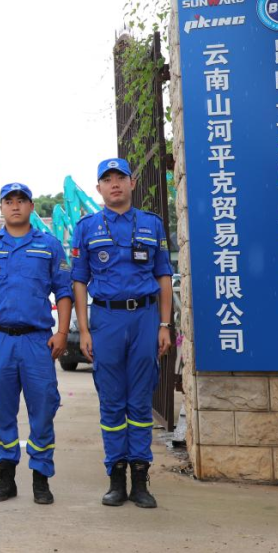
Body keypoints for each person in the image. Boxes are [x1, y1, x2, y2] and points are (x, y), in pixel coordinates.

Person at [71, 158, 173, 508]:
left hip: (145, 318)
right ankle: (116, 477)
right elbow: (79, 281)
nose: (114, 184)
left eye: (120, 178)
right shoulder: (85, 227)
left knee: (140, 401)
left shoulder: (151, 224)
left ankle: (141, 480)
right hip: (106, 320)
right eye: (106, 179)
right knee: (112, 403)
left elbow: (163, 276)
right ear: (98, 188)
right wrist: (83, 329)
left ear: (132, 183)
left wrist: (164, 324)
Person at [0, 183, 73, 504]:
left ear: (30, 207)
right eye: (9, 201)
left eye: (21, 201)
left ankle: (41, 479)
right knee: (0, 408)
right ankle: (7, 477)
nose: (15, 206)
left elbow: (64, 291)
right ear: (1, 208)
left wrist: (62, 333)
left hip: (37, 342)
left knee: (42, 408)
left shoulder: (49, 246)